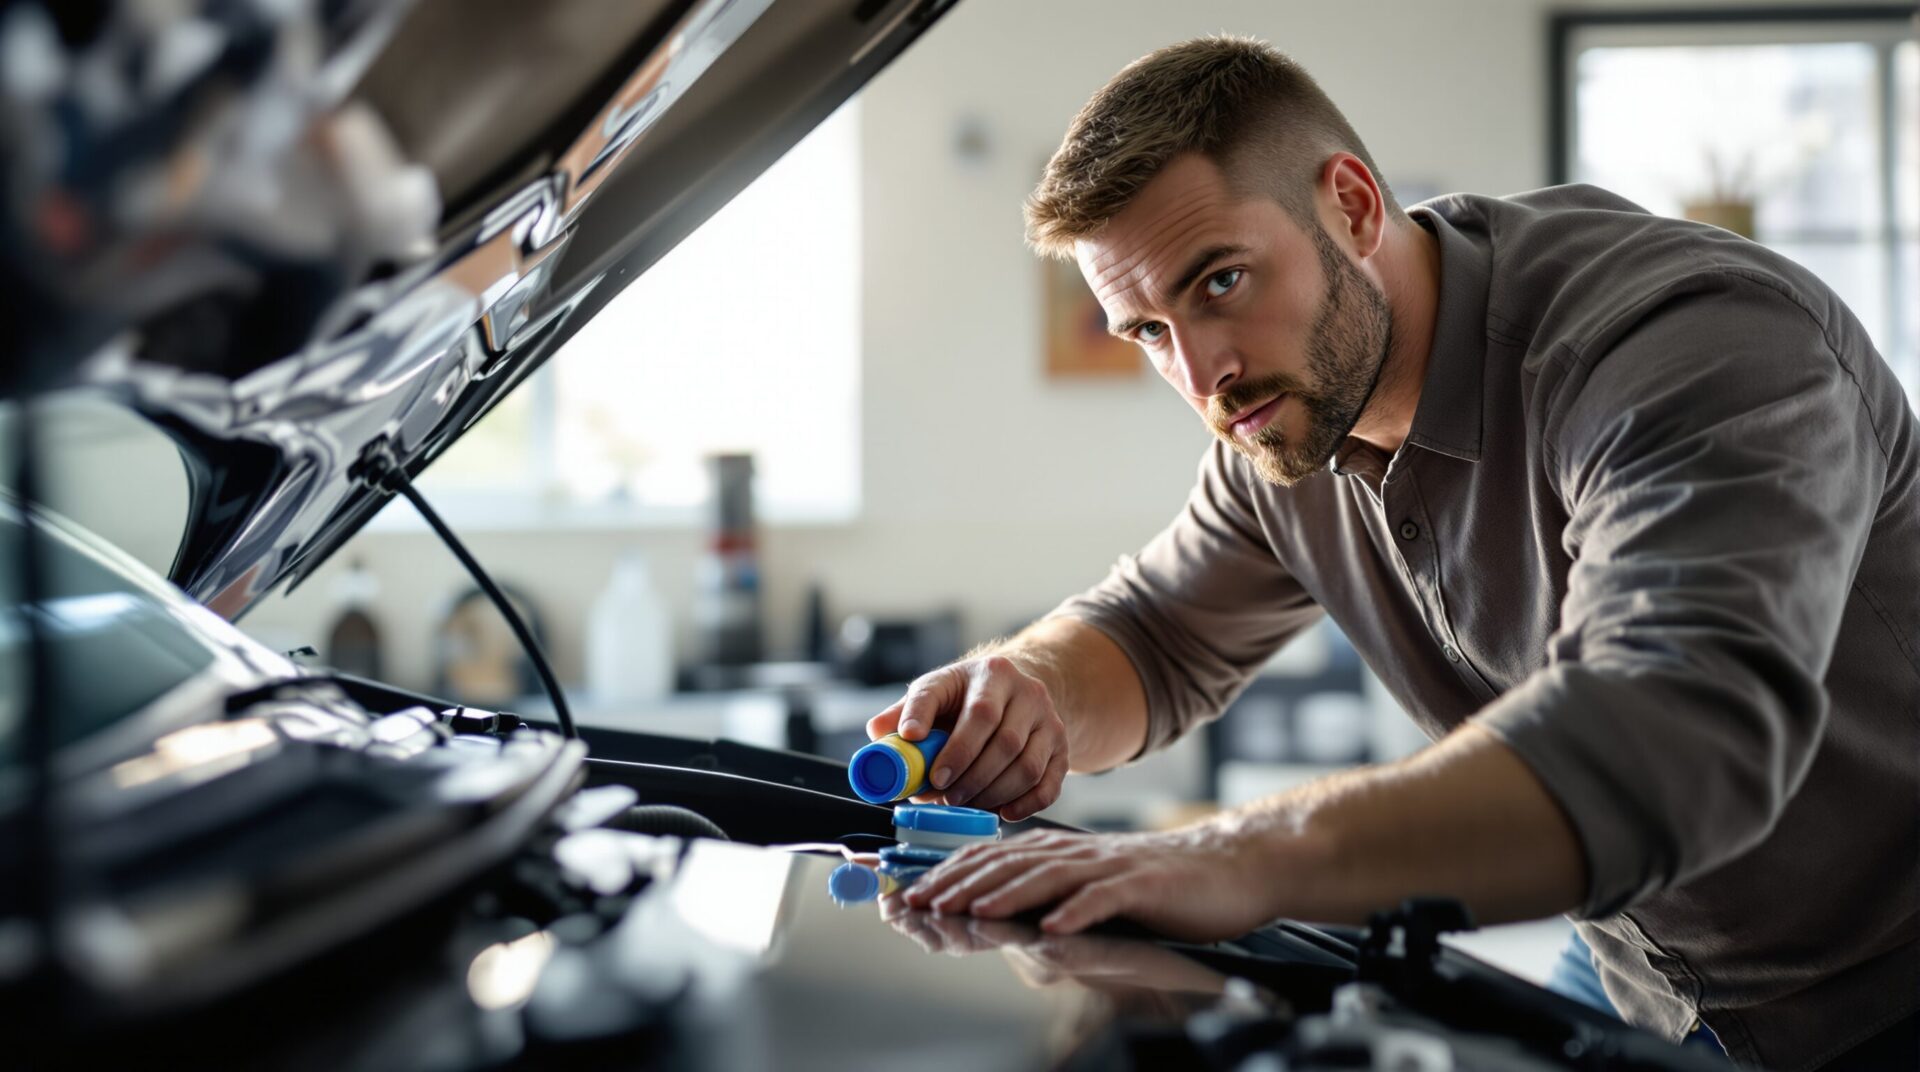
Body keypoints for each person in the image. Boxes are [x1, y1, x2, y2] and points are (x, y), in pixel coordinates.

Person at [862, 37, 1919, 1071]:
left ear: (1354, 206)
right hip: (1644, 964)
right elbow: (1153, 633)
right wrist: (1026, 690)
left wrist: (1233, 854)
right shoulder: (1285, 424)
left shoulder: (1685, 344)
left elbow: (1674, 730)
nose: (1202, 375)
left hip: (1878, 975)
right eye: (1146, 330)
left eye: (1220, 281)